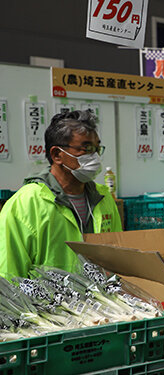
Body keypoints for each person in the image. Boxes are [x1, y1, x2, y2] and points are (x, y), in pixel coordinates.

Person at [0, 110, 122, 279]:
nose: (94, 157)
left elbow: (118, 258)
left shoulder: (103, 198)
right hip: (46, 304)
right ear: (57, 155)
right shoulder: (26, 203)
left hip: (101, 303)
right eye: (86, 148)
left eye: (97, 149)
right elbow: (8, 276)